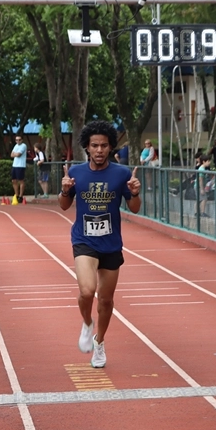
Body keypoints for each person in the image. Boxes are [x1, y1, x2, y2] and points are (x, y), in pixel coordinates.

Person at [58, 120, 141, 368]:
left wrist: (135, 193)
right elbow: (64, 206)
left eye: (104, 145)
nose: (99, 150)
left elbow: (134, 209)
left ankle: (100, 342)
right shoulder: (75, 173)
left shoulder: (122, 174)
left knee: (105, 300)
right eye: (94, 145)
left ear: (111, 147)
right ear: (87, 147)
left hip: (111, 243)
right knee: (86, 291)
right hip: (84, 239)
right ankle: (86, 322)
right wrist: (63, 191)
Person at [11, 135, 28, 204]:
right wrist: (15, 154)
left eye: (19, 140)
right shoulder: (16, 146)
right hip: (14, 165)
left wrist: (15, 154)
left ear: (22, 140)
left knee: (21, 180)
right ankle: (16, 195)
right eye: (16, 140)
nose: (18, 141)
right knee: (13, 180)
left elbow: (18, 155)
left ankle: (21, 196)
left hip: (21, 165)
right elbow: (11, 155)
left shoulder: (23, 146)